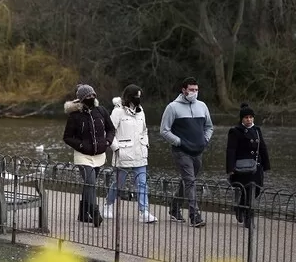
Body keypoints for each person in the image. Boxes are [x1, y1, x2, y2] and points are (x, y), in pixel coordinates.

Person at [160, 77, 213, 227]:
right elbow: (164, 130)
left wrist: (205, 140)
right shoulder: (172, 107)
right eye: (191, 90)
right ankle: (194, 215)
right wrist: (179, 142)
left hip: (198, 150)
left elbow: (209, 127)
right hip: (181, 151)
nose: (194, 92)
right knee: (190, 181)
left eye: (196, 90)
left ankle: (174, 208)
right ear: (184, 90)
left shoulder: (202, 106)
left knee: (188, 181)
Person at [63, 84, 115, 227]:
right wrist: (81, 145)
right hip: (82, 155)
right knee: (91, 183)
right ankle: (95, 212)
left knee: (89, 185)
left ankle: (83, 213)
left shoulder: (101, 111)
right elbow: (67, 137)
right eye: (88, 96)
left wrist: (108, 141)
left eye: (93, 95)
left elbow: (111, 129)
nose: (92, 98)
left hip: (99, 154)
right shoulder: (75, 116)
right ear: (81, 99)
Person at [103, 85, 157, 223]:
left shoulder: (141, 112)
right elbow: (109, 131)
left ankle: (143, 212)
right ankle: (108, 205)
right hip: (123, 153)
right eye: (136, 96)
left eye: (140, 96)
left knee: (142, 183)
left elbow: (144, 130)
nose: (138, 99)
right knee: (118, 183)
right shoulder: (117, 112)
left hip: (140, 153)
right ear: (129, 97)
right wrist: (116, 149)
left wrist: (146, 144)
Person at [226, 103, 271, 228]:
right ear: (242, 118)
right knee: (246, 190)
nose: (249, 119)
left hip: (256, 167)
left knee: (256, 190)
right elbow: (231, 150)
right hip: (241, 167)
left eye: (251, 117)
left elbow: (262, 147)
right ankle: (248, 217)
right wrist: (230, 168)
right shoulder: (235, 131)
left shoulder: (257, 130)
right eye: (246, 117)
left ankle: (240, 207)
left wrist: (266, 164)